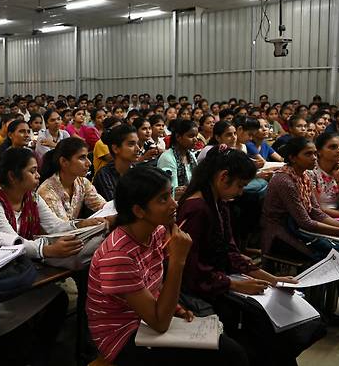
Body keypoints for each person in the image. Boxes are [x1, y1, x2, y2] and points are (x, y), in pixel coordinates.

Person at [178, 146, 324, 366]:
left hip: (219, 279)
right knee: (264, 331)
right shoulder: (197, 208)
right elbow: (190, 269)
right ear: (223, 177)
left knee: (295, 319)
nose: (240, 192)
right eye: (240, 185)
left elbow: (231, 252)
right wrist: (234, 285)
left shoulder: (218, 203)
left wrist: (273, 279)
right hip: (199, 288)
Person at [86, 166, 247, 366]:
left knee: (229, 345)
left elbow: (153, 284)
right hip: (122, 338)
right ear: (139, 210)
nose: (174, 204)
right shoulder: (118, 255)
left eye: (170, 195)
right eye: (163, 199)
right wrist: (178, 261)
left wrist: (177, 309)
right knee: (230, 355)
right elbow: (160, 323)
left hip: (146, 322)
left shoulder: (155, 231)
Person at [0, 147, 100, 364]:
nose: (38, 175)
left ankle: (37, 353)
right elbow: (12, 241)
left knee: (57, 299)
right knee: (15, 338)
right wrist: (47, 250)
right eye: (32, 171)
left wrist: (82, 225)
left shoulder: (30, 197)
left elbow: (55, 226)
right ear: (13, 176)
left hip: (20, 268)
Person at [38, 137, 107, 221]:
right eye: (82, 158)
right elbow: (62, 228)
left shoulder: (82, 182)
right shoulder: (47, 191)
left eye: (87, 157)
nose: (88, 163)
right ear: (64, 161)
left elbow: (103, 206)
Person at [307, 132, 339, 218]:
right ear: (319, 151)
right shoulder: (310, 172)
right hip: (317, 218)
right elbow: (316, 209)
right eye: (333, 147)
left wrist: (338, 179)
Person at [93, 124, 138, 201]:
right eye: (131, 144)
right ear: (115, 148)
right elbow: (115, 205)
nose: (138, 148)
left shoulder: (137, 171)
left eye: (137, 143)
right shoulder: (104, 174)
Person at [157, 119, 198, 199]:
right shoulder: (167, 158)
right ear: (178, 137)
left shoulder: (191, 155)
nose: (195, 140)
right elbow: (172, 193)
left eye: (196, 136)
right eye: (191, 136)